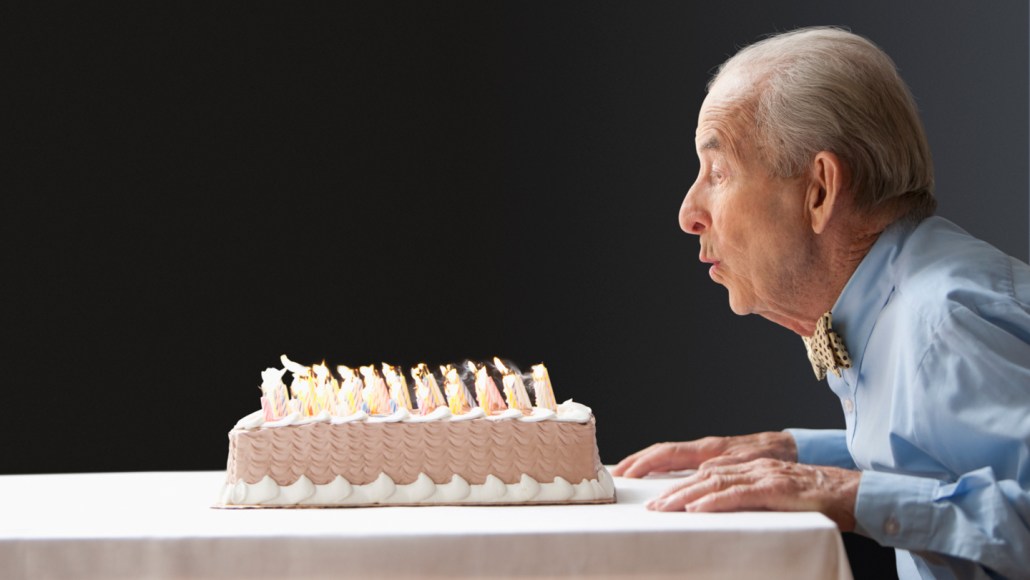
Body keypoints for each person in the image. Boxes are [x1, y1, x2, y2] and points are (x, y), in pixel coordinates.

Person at [611, 27, 1030, 579]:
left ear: (819, 191)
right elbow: (944, 458)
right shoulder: (904, 300)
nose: (689, 213)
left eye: (718, 172)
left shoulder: (939, 324)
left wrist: (847, 493)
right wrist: (794, 454)